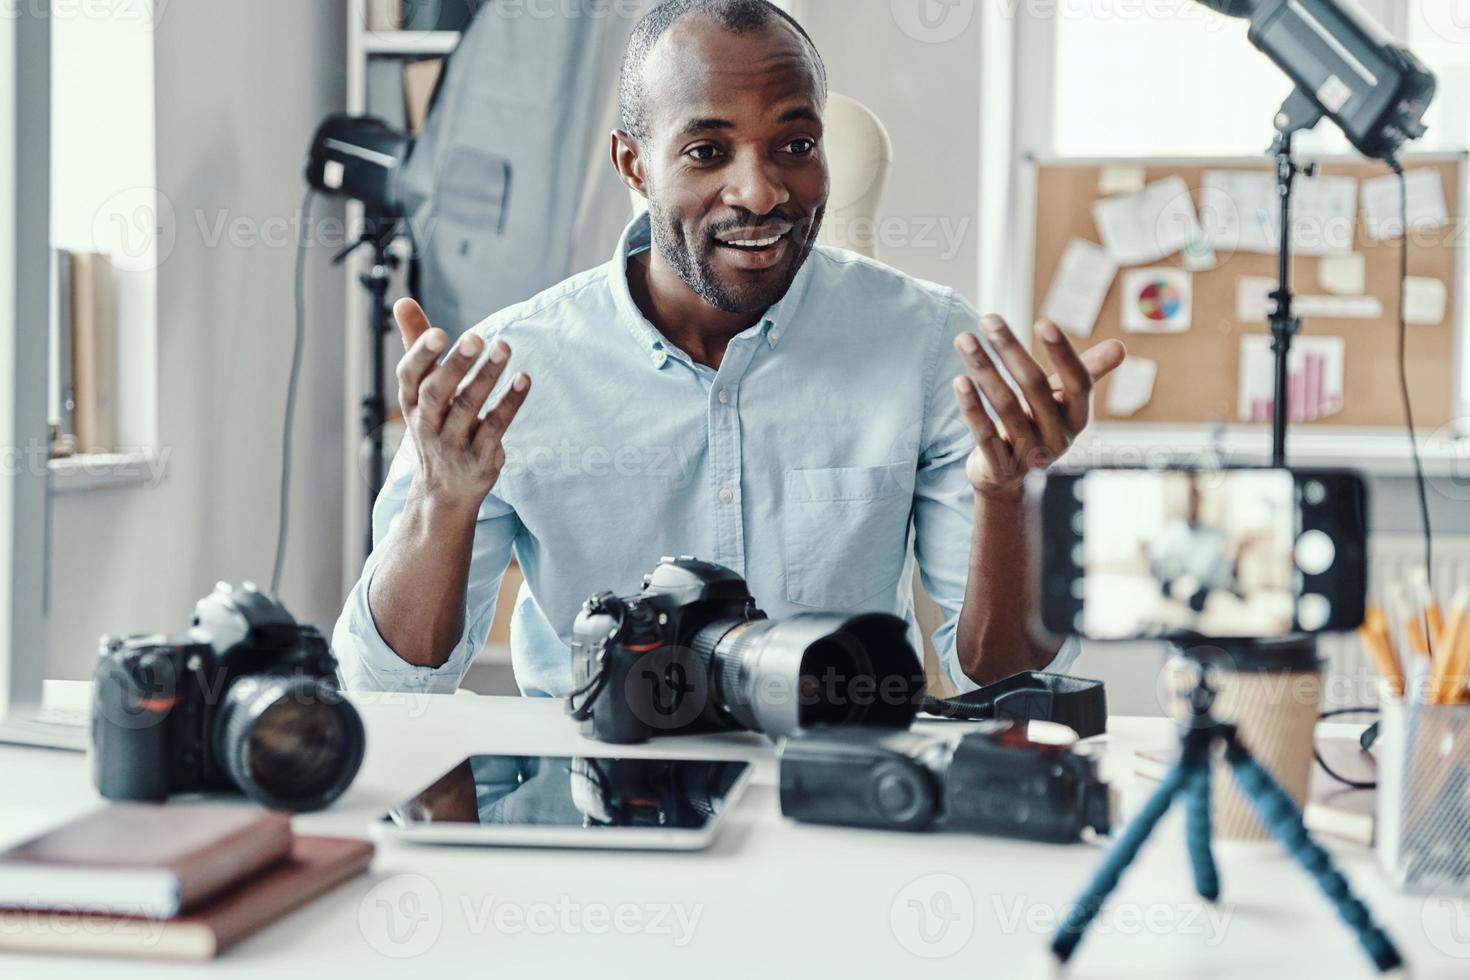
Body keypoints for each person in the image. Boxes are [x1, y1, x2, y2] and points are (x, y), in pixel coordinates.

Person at [332, 0, 1126, 698]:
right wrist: (443, 497)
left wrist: (1006, 498)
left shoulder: (922, 347)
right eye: (708, 152)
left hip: (831, 796)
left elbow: (1006, 680)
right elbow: (393, 680)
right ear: (633, 164)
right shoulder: (511, 369)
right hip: (596, 810)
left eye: (796, 144)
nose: (761, 191)